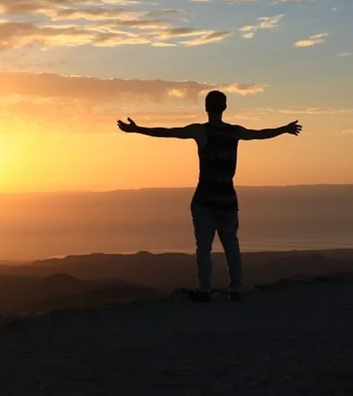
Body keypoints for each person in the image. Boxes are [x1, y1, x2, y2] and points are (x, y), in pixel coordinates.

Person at [117, 90, 303, 302]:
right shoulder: (234, 132)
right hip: (228, 199)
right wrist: (284, 129)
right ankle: (235, 290)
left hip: (204, 199)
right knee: (231, 246)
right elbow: (259, 134)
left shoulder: (200, 131)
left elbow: (168, 132)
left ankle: (204, 290)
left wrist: (137, 129)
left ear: (206, 108)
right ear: (224, 107)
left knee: (203, 248)